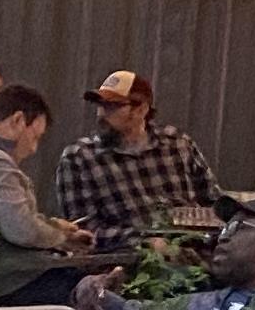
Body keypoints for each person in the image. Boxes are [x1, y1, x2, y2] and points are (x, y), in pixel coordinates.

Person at [0, 82, 111, 310]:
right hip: (11, 284)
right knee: (101, 296)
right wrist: (59, 238)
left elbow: (3, 221)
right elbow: (22, 231)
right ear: (17, 120)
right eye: (35, 136)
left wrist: (59, 230)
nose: (34, 148)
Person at [55, 68, 220, 252]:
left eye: (112, 106)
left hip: (195, 251)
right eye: (99, 105)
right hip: (128, 259)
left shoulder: (178, 144)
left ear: (141, 109)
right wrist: (143, 241)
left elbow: (214, 202)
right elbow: (83, 232)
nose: (101, 113)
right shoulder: (80, 158)